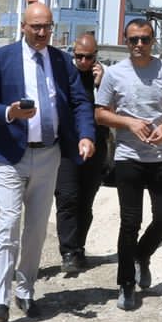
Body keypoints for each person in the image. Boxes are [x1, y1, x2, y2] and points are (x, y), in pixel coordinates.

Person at [0, 2, 95, 322]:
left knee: (37, 229)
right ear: (23, 27)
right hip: (10, 154)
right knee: (8, 225)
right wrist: (10, 112)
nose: (42, 33)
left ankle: (25, 290)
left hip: (49, 154)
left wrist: (85, 135)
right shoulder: (3, 58)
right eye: (36, 27)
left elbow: (81, 101)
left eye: (47, 27)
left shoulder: (60, 61)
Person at [93, 18, 162, 310]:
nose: (139, 45)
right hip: (128, 158)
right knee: (129, 222)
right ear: (126, 41)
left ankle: (142, 254)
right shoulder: (114, 75)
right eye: (134, 39)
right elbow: (100, 114)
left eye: (145, 39)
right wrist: (129, 123)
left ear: (153, 41)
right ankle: (125, 284)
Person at [54, 31, 110, 276]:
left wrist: (101, 86)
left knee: (85, 202)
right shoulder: (66, 76)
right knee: (67, 198)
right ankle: (67, 251)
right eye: (79, 56)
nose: (83, 62)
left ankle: (78, 248)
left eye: (88, 57)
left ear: (95, 57)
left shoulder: (105, 81)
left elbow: (112, 112)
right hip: (67, 148)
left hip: (95, 149)